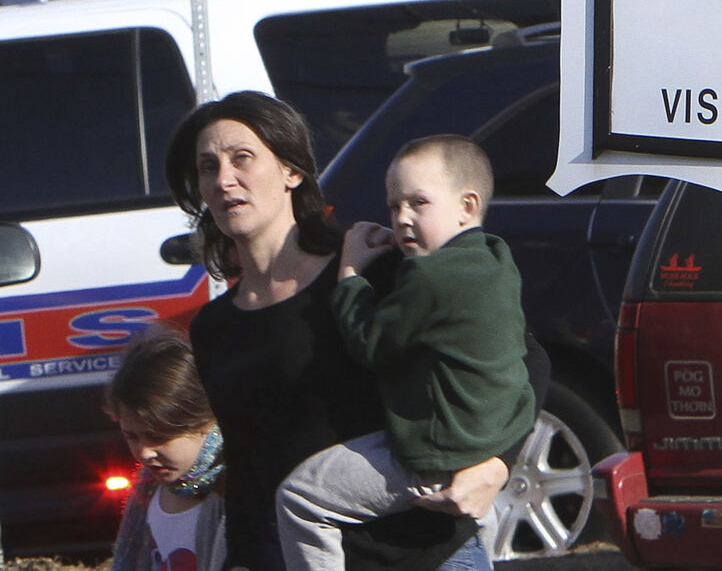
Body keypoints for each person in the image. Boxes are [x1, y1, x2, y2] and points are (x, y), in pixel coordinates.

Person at [164, 92, 547, 571]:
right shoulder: (215, 327)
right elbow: (248, 465)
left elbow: (523, 357)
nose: (224, 179)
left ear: (292, 171)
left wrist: (497, 464)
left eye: (243, 158)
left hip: (424, 555)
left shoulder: (375, 271)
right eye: (207, 166)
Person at [275, 135, 536, 571]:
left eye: (418, 203)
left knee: (300, 497)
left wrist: (351, 272)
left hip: (437, 453)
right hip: (494, 437)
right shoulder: (496, 259)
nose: (402, 219)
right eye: (395, 206)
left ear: (467, 207)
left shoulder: (430, 277)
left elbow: (369, 341)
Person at [106, 329, 226, 571]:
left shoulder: (238, 492)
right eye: (131, 436)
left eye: (158, 436)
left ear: (204, 421)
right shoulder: (148, 491)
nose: (144, 453)